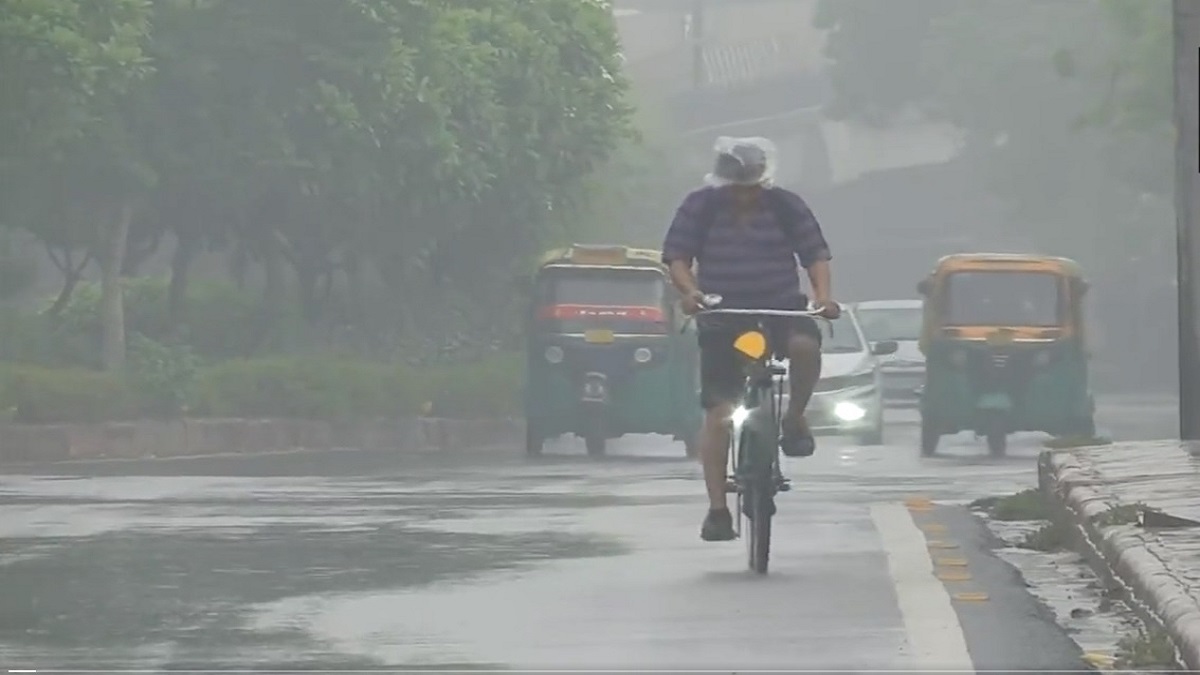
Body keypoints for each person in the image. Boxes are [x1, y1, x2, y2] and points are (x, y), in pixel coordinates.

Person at [661, 137, 840, 542]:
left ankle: (794, 417)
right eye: (736, 187)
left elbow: (815, 254)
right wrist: (691, 293)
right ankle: (718, 510)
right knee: (720, 412)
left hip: (780, 308)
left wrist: (823, 297)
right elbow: (677, 257)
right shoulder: (700, 205)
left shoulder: (786, 205)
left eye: (751, 186)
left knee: (805, 348)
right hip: (723, 314)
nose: (744, 194)